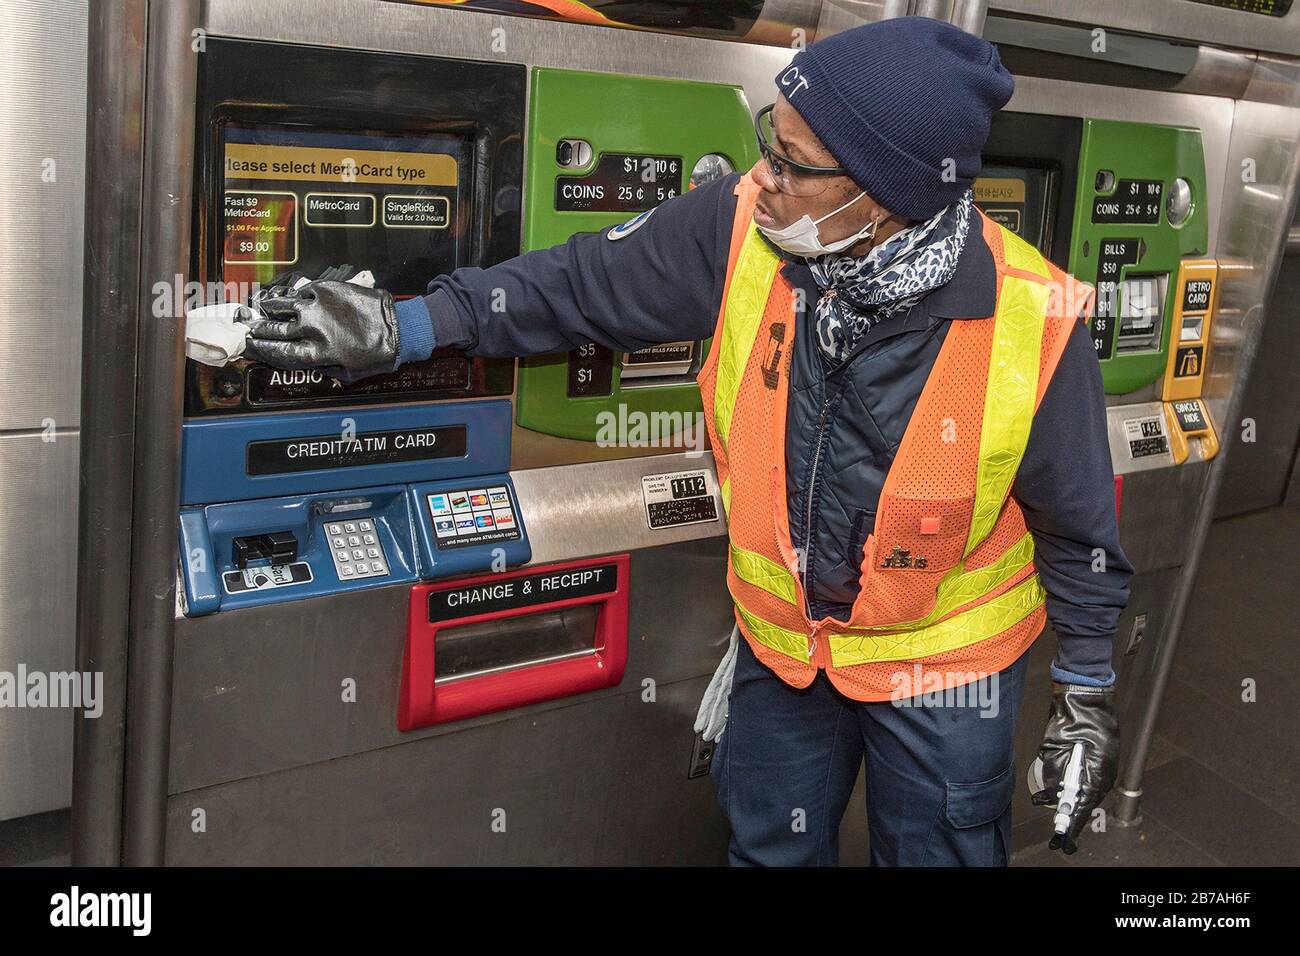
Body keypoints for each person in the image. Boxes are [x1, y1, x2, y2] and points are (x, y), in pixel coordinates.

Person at [241, 16, 1131, 866]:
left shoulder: (1032, 318)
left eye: (795, 165)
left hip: (942, 673)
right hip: (785, 655)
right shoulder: (746, 226)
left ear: (889, 195)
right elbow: (578, 284)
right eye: (769, 141)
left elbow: (1080, 528)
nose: (764, 175)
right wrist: (406, 327)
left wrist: (1084, 695)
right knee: (767, 849)